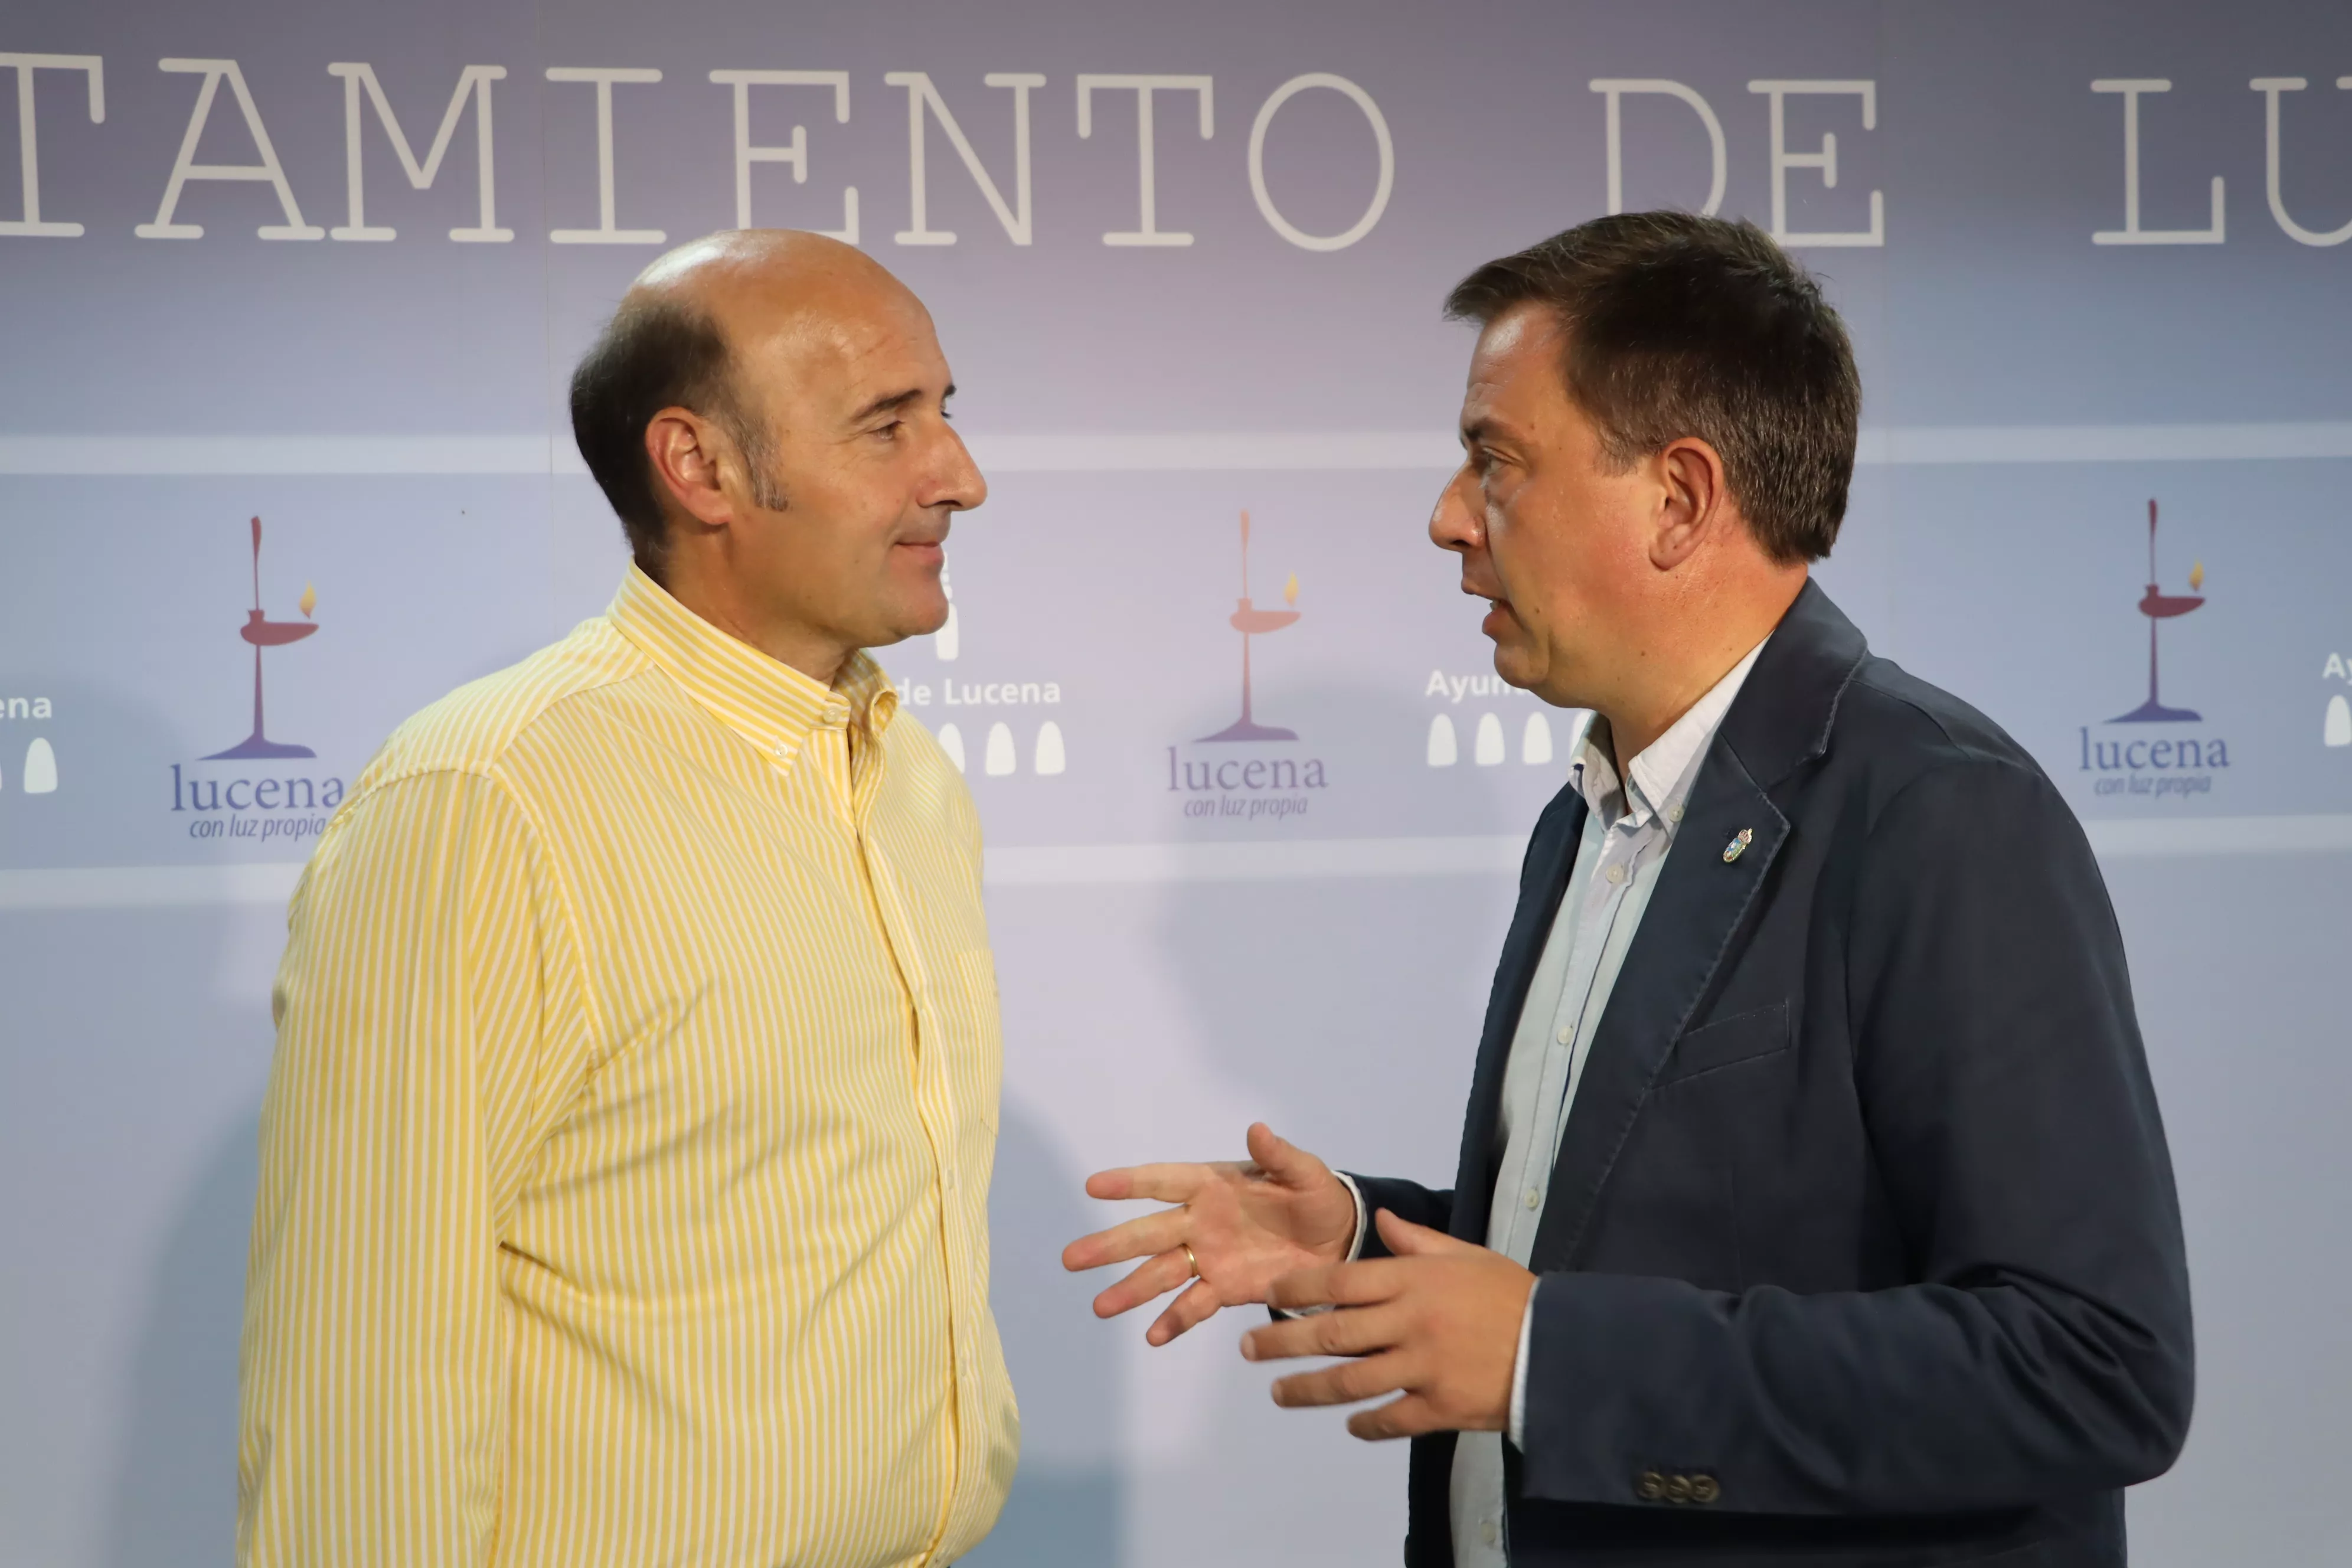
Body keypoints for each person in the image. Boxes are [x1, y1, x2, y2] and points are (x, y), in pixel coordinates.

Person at [1064, 212, 2193, 1567]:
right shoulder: (1588, 812)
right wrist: (1372, 1235)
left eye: (1498, 462)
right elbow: (1643, 1230)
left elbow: (2091, 1361)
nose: (1446, 516)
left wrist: (1550, 1353)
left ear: (1680, 498)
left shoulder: (1940, 811)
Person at [238, 231, 1015, 1567]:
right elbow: (361, 1398)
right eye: (889, 427)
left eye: (947, 414)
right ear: (698, 465)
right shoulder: (484, 802)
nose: (962, 475)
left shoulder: (913, 779)